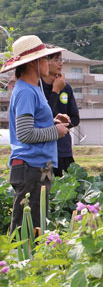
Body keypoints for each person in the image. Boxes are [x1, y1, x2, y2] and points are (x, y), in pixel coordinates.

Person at [2, 35, 70, 233]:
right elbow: (24, 133)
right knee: (26, 231)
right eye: (44, 59)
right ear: (33, 63)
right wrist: (55, 132)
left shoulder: (34, 89)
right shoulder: (25, 91)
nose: (48, 63)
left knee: (35, 229)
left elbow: (32, 126)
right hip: (29, 168)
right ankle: (18, 264)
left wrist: (52, 122)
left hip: (36, 168)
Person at [41, 46, 80, 176]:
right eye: (56, 60)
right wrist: (55, 91)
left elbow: (75, 118)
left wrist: (64, 124)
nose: (60, 63)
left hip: (63, 149)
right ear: (46, 62)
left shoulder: (65, 87)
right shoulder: (37, 87)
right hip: (44, 150)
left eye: (61, 60)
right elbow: (42, 118)